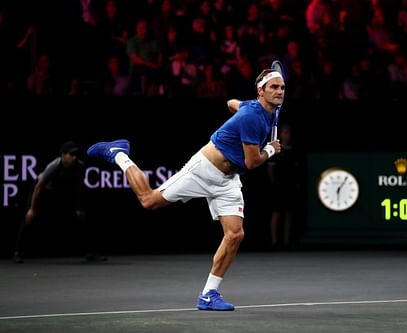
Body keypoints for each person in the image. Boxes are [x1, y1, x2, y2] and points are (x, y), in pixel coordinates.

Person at [86, 68, 284, 311]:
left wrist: (241, 107)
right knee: (149, 201)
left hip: (228, 179)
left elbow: (231, 102)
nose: (279, 92)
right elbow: (252, 162)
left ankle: (209, 294)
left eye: (282, 88)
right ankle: (118, 154)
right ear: (261, 91)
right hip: (204, 168)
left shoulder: (262, 111)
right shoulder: (253, 117)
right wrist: (272, 149)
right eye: (274, 87)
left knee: (235, 234)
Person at [13, 141, 105, 263]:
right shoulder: (54, 166)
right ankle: (17, 253)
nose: (74, 157)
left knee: (82, 218)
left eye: (76, 154)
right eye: (71, 154)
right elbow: (39, 187)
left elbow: (77, 187)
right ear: (62, 154)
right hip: (42, 192)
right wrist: (32, 209)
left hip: (60, 192)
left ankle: (89, 253)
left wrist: (78, 208)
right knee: (29, 219)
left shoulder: (80, 166)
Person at [267, 124, 300, 249]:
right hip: (278, 186)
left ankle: (286, 241)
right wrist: (274, 184)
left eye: (289, 132)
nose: (287, 135)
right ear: (280, 134)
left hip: (290, 186)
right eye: (285, 132)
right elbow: (270, 169)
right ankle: (274, 241)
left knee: (288, 213)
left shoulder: (294, 150)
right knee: (276, 213)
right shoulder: (276, 150)